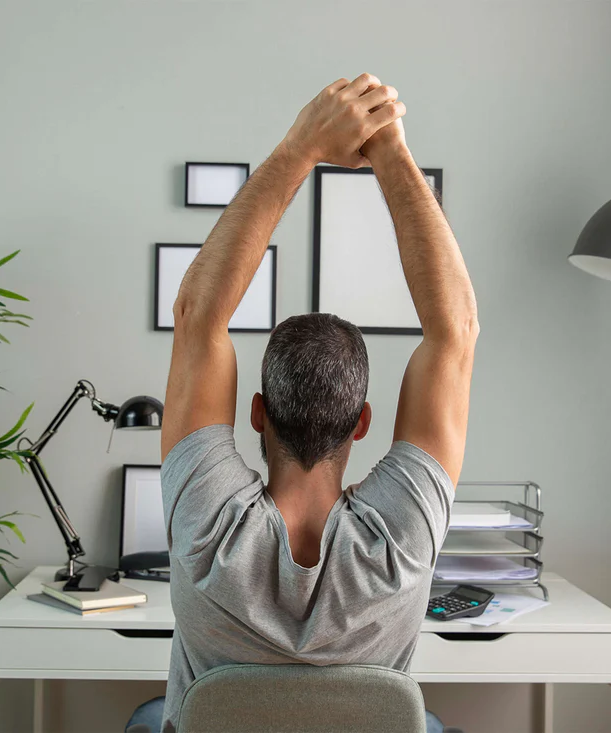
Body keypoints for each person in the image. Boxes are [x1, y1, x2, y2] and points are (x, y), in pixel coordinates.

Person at [127, 73, 480, 733]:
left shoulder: (207, 526)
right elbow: (455, 330)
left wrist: (301, 146)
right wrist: (390, 149)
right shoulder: (400, 541)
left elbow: (198, 315)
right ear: (363, 422)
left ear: (257, 412)